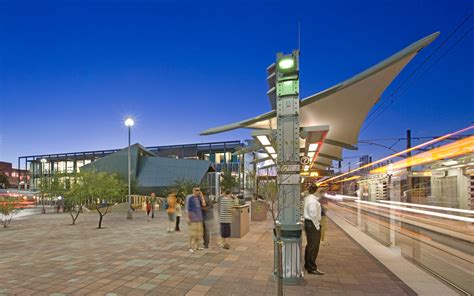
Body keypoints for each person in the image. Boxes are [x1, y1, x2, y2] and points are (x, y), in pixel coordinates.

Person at [303, 184, 325, 275]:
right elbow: (313, 214)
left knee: (310, 245)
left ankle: (308, 264)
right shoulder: (313, 201)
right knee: (314, 246)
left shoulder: (308, 198)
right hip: (312, 224)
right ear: (316, 191)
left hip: (308, 223)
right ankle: (311, 267)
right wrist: (317, 225)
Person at [186, 187, 204, 252]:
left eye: (199, 190)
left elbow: (203, 204)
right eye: (196, 190)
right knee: (192, 233)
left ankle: (197, 246)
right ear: (193, 191)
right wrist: (187, 217)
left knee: (199, 233)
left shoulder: (199, 198)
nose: (198, 191)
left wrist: (201, 196)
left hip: (199, 217)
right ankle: (190, 247)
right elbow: (187, 208)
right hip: (193, 217)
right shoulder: (190, 198)